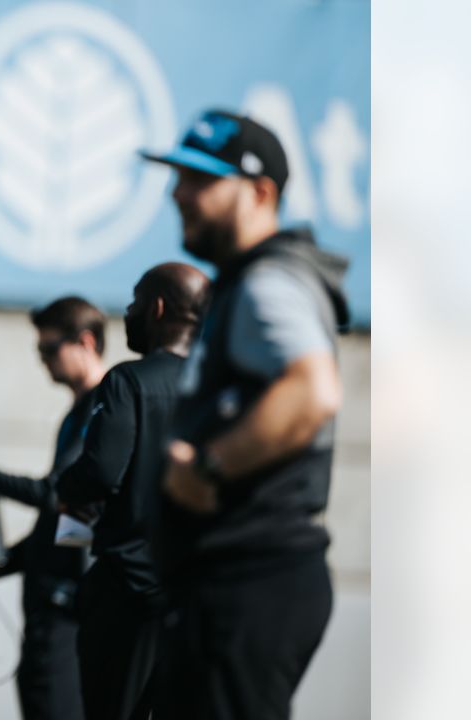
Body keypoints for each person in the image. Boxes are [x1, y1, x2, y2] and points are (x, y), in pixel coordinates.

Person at [141, 109, 348, 720]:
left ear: (259, 193)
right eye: (179, 177)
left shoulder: (267, 284)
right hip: (230, 584)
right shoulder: (242, 284)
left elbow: (314, 391)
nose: (178, 193)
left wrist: (208, 466)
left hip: (250, 581)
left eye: (201, 181)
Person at [51, 263, 209, 720]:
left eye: (136, 302)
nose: (128, 312)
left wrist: (64, 487)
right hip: (195, 594)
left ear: (157, 309)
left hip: (126, 592)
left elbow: (99, 475)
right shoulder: (221, 386)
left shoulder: (127, 381)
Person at [0, 296, 108, 720]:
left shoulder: (103, 408)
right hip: (54, 595)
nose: (42, 361)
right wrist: (6, 562)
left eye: (49, 349)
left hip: (67, 603)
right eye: (39, 351)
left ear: (86, 342)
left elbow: (58, 496)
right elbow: (66, 518)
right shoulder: (83, 409)